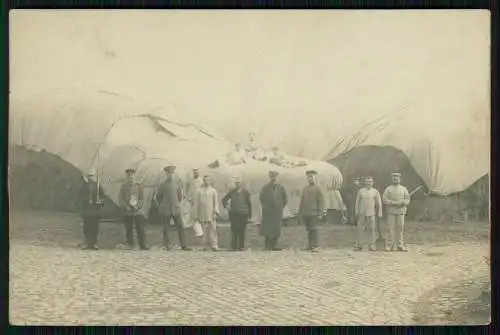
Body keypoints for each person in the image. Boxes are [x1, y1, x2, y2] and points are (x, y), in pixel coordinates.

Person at [154, 165, 191, 251]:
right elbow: (158, 197)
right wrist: (162, 205)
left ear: (173, 174)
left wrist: (176, 203)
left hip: (176, 209)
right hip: (165, 209)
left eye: (171, 173)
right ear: (166, 174)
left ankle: (184, 245)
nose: (170, 175)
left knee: (181, 227)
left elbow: (180, 196)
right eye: (168, 173)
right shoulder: (162, 184)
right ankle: (167, 245)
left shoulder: (177, 184)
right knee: (166, 228)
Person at [117, 169, 148, 250]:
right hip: (127, 212)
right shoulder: (123, 187)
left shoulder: (139, 186)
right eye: (128, 176)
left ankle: (143, 245)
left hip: (137, 212)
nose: (130, 177)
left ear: (134, 176)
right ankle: (130, 244)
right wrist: (125, 206)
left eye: (132, 175)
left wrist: (138, 206)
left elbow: (141, 199)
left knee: (140, 229)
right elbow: (120, 198)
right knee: (129, 229)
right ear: (126, 177)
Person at [259, 171, 288, 251]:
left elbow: (285, 199)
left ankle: (274, 245)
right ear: (270, 177)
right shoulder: (265, 188)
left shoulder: (281, 188)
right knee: (268, 228)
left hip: (277, 212)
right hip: (268, 212)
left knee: (276, 229)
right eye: (272, 177)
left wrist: (280, 207)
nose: (273, 178)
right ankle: (268, 245)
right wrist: (266, 207)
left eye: (275, 177)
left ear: (277, 177)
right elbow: (261, 198)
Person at [76, 171, 105, 250]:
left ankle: (93, 244)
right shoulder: (84, 186)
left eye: (92, 176)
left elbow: (103, 197)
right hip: (87, 210)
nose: (90, 178)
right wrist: (81, 203)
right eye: (89, 176)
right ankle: (87, 243)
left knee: (95, 227)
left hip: (96, 210)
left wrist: (100, 201)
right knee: (86, 227)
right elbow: (79, 196)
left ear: (94, 177)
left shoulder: (98, 185)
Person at [382, 171, 411, 252]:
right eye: (394, 177)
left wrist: (402, 202)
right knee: (391, 228)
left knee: (400, 228)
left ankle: (400, 245)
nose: (395, 179)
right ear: (392, 179)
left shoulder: (403, 189)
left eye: (397, 177)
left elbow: (408, 199)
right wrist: (392, 203)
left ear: (400, 179)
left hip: (401, 211)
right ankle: (391, 245)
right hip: (391, 211)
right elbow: (384, 199)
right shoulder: (388, 188)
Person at [222, 177, 252, 251]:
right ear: (235, 184)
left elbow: (249, 203)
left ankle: (241, 246)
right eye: (236, 183)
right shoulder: (232, 192)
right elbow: (224, 199)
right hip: (234, 214)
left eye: (239, 183)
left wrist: (250, 214)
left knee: (242, 230)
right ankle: (234, 246)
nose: (238, 184)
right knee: (234, 230)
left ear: (241, 184)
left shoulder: (246, 192)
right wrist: (227, 207)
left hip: (243, 214)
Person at [298, 170, 325, 252]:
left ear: (315, 178)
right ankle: (310, 245)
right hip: (306, 213)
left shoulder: (317, 189)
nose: (310, 179)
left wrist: (320, 212)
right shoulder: (305, 189)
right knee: (309, 229)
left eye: (312, 177)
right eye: (309, 177)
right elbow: (302, 201)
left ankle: (316, 245)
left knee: (314, 229)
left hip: (314, 212)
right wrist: (300, 213)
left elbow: (321, 201)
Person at [354, 176, 383, 251]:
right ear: (365, 182)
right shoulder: (361, 191)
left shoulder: (375, 191)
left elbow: (379, 203)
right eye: (367, 182)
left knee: (372, 229)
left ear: (372, 183)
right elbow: (357, 202)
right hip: (362, 212)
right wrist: (356, 211)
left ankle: (372, 245)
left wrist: (380, 212)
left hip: (371, 212)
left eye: (370, 182)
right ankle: (359, 245)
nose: (368, 183)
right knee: (360, 229)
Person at [193, 174, 220, 251]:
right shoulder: (199, 191)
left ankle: (214, 245)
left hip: (211, 213)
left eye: (208, 180)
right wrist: (196, 214)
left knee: (213, 230)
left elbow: (216, 203)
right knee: (203, 231)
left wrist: (215, 212)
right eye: (205, 180)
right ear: (203, 181)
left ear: (210, 181)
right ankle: (203, 245)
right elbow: (196, 203)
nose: (206, 182)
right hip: (202, 213)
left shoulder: (213, 191)